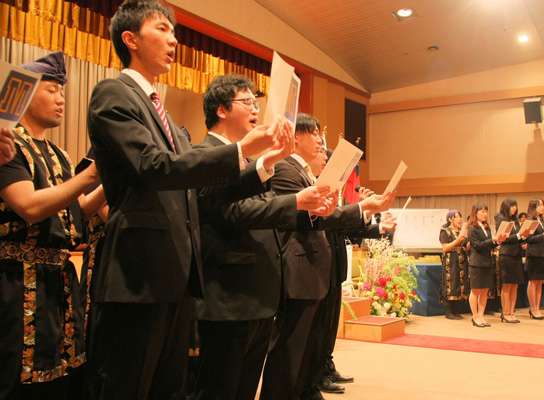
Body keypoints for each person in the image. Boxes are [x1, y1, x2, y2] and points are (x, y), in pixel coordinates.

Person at [86, 2, 285, 398]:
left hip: (177, 277)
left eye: (174, 31)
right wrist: (241, 150)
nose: (174, 39)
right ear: (130, 39)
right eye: (162, 29)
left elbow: (200, 193)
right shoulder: (113, 93)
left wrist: (261, 162)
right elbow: (152, 167)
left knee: (170, 388)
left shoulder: (172, 125)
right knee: (129, 386)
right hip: (138, 274)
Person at [189, 74, 333, 400]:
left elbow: (267, 214)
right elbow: (234, 212)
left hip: (259, 296)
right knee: (218, 390)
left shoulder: (253, 163)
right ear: (222, 109)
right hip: (228, 296)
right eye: (247, 102)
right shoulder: (204, 153)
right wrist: (295, 200)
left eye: (257, 102)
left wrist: (308, 210)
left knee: (244, 389)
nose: (256, 109)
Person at [260, 114, 394, 400]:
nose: (321, 141)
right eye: (314, 134)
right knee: (288, 351)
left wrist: (365, 210)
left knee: (305, 349)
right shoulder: (285, 169)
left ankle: (303, 391)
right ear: (296, 136)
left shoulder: (304, 172)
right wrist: (363, 208)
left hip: (313, 269)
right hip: (298, 271)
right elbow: (317, 217)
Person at [0, 51, 105, 399]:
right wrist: (89, 175)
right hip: (18, 281)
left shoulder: (59, 154)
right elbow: (29, 207)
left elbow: (78, 213)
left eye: (63, 91)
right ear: (26, 93)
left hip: (57, 281)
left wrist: (110, 177)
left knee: (63, 377)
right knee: (18, 378)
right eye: (51, 90)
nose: (61, 99)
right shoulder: (8, 144)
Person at [467, 202, 506, 327]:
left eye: (486, 211)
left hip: (487, 262)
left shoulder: (487, 228)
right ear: (476, 213)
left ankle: (481, 316)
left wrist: (498, 242)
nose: (485, 214)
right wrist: (492, 240)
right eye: (482, 211)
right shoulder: (472, 228)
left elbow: (489, 244)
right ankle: (475, 316)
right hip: (477, 263)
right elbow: (477, 245)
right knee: (475, 291)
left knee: (484, 291)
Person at [495, 197, 529, 323]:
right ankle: (505, 313)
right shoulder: (501, 219)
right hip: (507, 255)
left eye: (516, 206)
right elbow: (504, 238)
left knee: (515, 285)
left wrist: (523, 238)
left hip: (517, 255)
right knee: (507, 285)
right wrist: (519, 236)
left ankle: (512, 312)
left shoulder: (515, 221)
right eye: (512, 206)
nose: (514, 208)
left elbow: (518, 237)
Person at [524, 198, 544, 319]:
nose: (542, 207)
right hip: (533, 254)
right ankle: (533, 308)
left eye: (543, 205)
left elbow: (543, 238)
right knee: (533, 281)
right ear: (533, 207)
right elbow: (528, 239)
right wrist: (543, 235)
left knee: (539, 282)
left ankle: (537, 307)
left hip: (542, 253)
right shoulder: (530, 220)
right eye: (539, 205)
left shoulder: (541, 220)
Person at [439, 210, 470, 320]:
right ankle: (449, 312)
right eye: (456, 217)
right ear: (450, 219)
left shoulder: (461, 231)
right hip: (450, 261)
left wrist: (470, 239)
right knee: (451, 284)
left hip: (461, 260)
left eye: (460, 217)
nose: (459, 219)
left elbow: (466, 247)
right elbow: (445, 248)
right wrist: (457, 241)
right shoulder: (445, 231)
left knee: (460, 284)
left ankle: (456, 311)